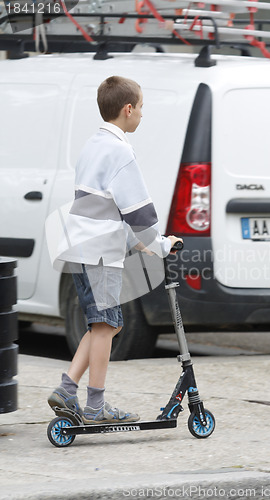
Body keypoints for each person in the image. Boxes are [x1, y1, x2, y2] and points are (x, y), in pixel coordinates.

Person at [47, 76, 182, 424]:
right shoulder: (121, 150)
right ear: (128, 109)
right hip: (100, 253)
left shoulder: (93, 144)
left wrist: (134, 243)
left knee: (101, 325)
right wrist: (160, 244)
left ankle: (66, 388)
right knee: (106, 326)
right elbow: (137, 210)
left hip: (80, 246)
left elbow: (101, 204)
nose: (141, 115)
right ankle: (95, 405)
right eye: (141, 108)